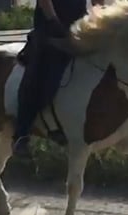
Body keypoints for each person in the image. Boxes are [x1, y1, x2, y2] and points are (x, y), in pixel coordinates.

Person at [12, 0, 105, 161]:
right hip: (51, 29)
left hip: (79, 28)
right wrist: (54, 21)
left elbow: (99, 2)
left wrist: (102, 19)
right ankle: (22, 134)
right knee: (40, 78)